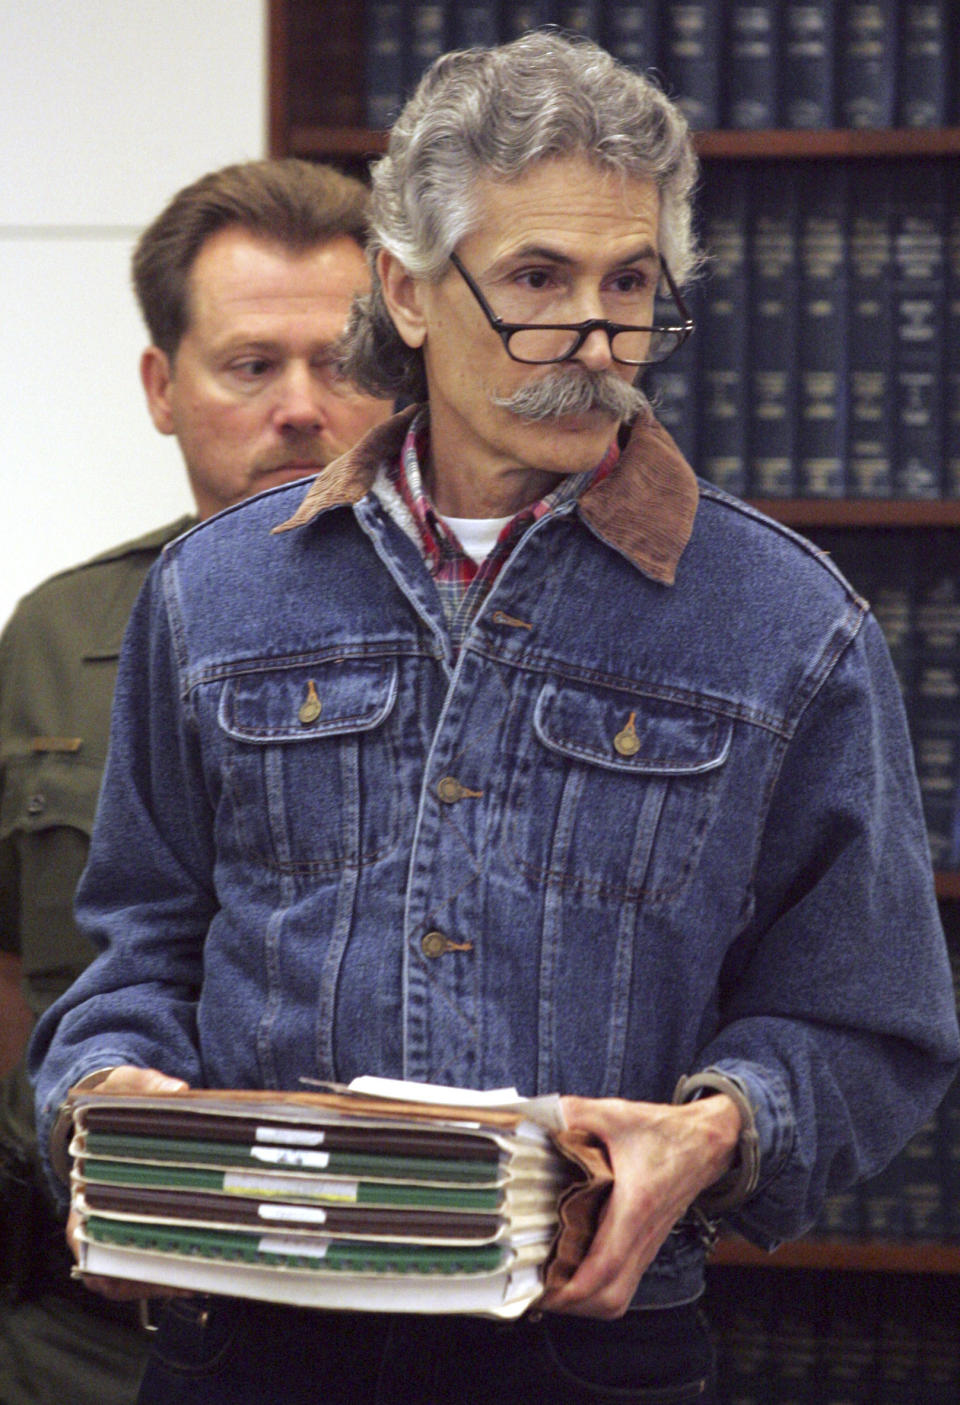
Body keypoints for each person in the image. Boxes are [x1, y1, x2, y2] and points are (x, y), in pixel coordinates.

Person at [29, 33, 960, 1405]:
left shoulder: (787, 623)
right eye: (537, 279)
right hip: (243, 1345)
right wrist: (109, 1096)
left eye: (630, 284)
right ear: (405, 288)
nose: (595, 340)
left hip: (593, 1354)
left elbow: (869, 1023)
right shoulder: (213, 593)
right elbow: (135, 955)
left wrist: (715, 1130)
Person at [0, 157, 392, 1405]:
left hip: (395, 1320)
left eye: (341, 363)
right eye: (250, 364)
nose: (300, 407)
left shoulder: (487, 634)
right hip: (88, 1338)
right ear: (164, 389)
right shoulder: (57, 638)